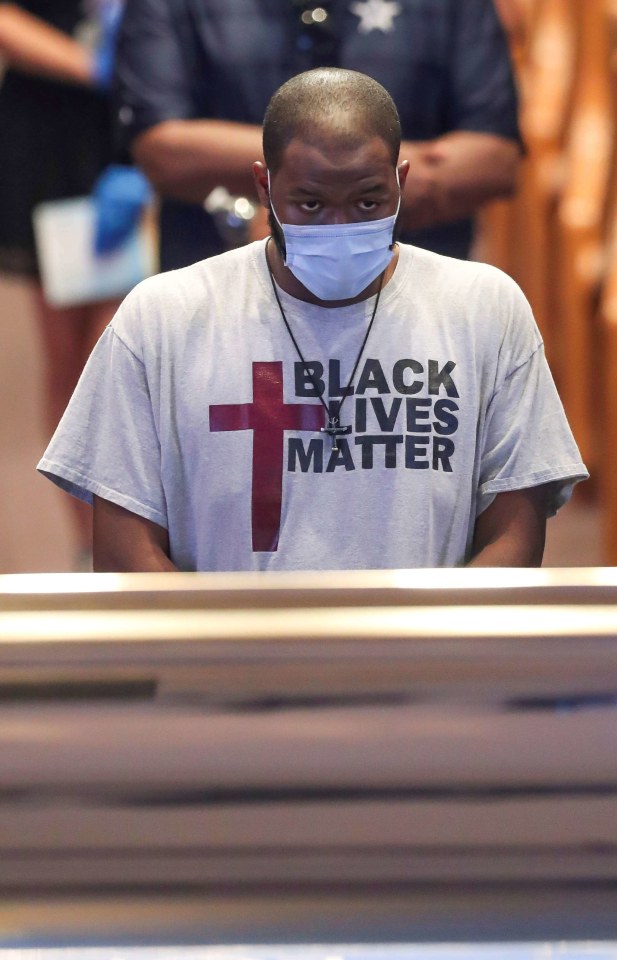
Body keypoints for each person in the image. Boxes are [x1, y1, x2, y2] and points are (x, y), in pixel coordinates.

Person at [38, 68, 587, 571]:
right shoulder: (162, 317)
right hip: (228, 672)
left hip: (426, 668)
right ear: (263, 187)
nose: (340, 225)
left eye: (369, 203)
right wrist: (225, 663)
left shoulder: (484, 308)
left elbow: (513, 535)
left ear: (401, 179)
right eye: (310, 204)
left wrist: (425, 662)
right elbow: (124, 551)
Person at [114, 0, 523, 272]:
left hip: (414, 314)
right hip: (223, 302)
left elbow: (495, 158)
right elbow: (162, 148)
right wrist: (369, 177)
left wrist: (308, 190)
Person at [0, 0, 126, 565]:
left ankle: (141, 542)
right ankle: (93, 550)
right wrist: (95, 65)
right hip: (59, 138)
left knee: (128, 360)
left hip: (151, 131)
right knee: (80, 366)